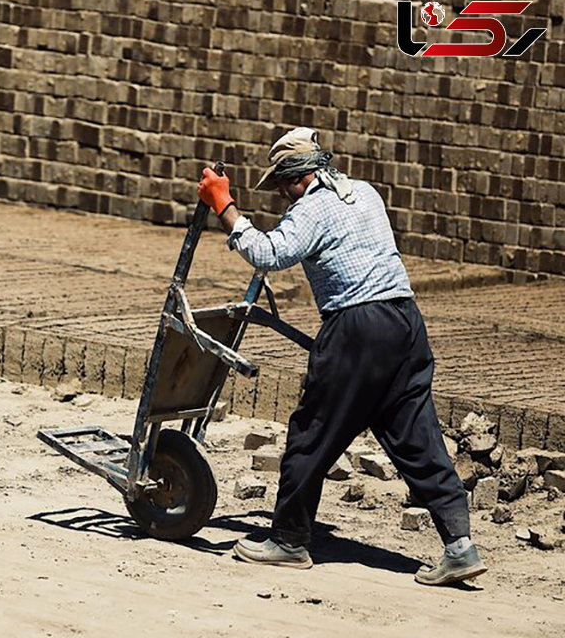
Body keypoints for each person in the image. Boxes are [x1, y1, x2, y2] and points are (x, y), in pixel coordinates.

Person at [195, 127, 484, 586]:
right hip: (405, 321)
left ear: (296, 179)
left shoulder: (313, 207)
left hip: (357, 329)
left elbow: (271, 252)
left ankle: (289, 541)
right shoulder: (365, 194)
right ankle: (460, 546)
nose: (285, 198)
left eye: (283, 188)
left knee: (313, 431)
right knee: (416, 434)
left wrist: (224, 206)